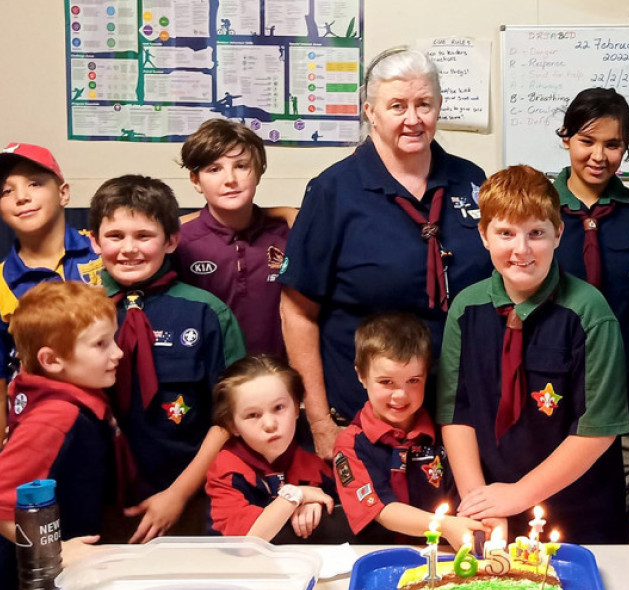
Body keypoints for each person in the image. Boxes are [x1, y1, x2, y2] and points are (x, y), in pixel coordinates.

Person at [279, 47, 492, 460]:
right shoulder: (333, 191)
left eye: (424, 104)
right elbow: (297, 313)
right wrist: (320, 421)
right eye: (397, 106)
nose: (413, 119)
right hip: (366, 416)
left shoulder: (471, 180)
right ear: (370, 113)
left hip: (457, 409)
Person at [437, 165, 629, 544]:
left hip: (576, 514)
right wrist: (482, 505)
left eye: (537, 233)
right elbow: (455, 413)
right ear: (483, 235)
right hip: (491, 506)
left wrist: (518, 496)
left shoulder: (590, 312)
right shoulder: (465, 308)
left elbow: (598, 429)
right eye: (506, 233)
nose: (521, 250)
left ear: (559, 233)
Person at [89, 175, 247, 543]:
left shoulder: (208, 313)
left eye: (144, 235)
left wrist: (178, 495)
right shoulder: (79, 313)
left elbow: (231, 417)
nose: (129, 249)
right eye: (115, 236)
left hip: (190, 498)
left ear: (172, 240)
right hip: (99, 503)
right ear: (94, 240)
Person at [553, 88, 629, 510]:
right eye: (587, 141)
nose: (599, 156)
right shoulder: (538, 210)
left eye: (613, 144)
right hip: (555, 393)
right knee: (558, 501)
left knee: (626, 502)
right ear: (566, 137)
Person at [0, 282, 124, 590]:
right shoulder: (54, 418)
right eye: (101, 344)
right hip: (32, 584)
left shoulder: (67, 392)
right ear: (52, 360)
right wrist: (56, 549)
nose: (118, 352)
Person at [333, 312, 479, 548]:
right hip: (383, 556)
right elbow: (382, 510)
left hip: (446, 556)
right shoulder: (351, 444)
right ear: (361, 375)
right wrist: (446, 526)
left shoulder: (446, 433)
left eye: (413, 381)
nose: (400, 395)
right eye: (386, 382)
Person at [0, 143, 103, 439]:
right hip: (40, 423)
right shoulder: (3, 280)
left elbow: (165, 233)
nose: (21, 197)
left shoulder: (105, 250)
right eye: (6, 191)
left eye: (34, 183)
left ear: (63, 193)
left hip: (113, 414)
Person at [176, 119, 292, 357]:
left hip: (278, 377)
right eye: (214, 169)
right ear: (196, 181)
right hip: (209, 380)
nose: (230, 179)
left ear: (258, 172)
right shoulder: (180, 242)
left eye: (241, 166)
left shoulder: (289, 234)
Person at [206, 355, 350, 542]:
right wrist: (296, 496)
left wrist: (318, 506)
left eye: (279, 407)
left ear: (297, 408)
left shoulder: (318, 464)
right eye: (253, 415)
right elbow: (246, 543)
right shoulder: (226, 470)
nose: (270, 424)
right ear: (232, 425)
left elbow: (344, 519)